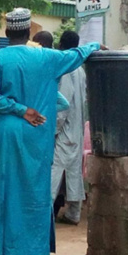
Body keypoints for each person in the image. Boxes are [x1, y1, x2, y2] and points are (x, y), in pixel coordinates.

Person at [0, 8, 100, 255]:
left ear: (7, 32)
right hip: (37, 137)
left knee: (4, 192)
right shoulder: (47, 57)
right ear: (28, 31)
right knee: (33, 191)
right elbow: (75, 55)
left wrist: (20, 109)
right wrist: (94, 46)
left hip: (4, 135)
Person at [51, 30, 87, 226]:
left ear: (61, 44)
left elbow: (63, 104)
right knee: (74, 172)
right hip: (77, 128)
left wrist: (54, 130)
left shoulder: (65, 67)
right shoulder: (79, 69)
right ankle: (74, 213)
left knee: (54, 171)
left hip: (65, 129)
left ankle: (43, 212)